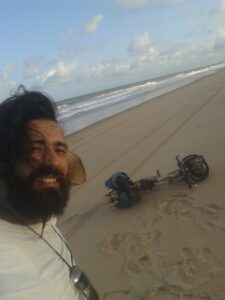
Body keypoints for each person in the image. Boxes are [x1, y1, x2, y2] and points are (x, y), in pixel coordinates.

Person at [0, 86, 99, 299]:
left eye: (60, 150)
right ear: (5, 159)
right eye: (36, 148)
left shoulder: (41, 210)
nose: (53, 161)